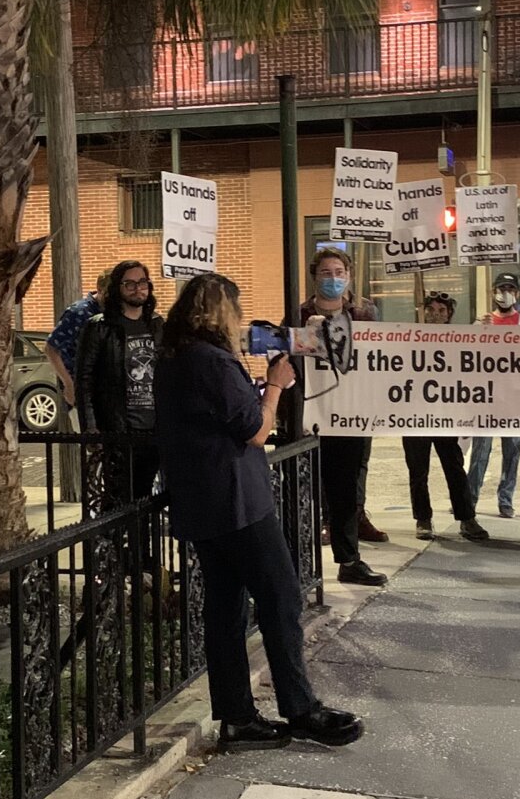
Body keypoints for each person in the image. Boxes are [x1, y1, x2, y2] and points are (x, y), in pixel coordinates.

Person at [155, 272, 365, 751]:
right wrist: (274, 385)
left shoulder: (177, 356)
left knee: (226, 609)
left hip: (203, 500)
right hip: (236, 501)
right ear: (218, 311)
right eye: (236, 308)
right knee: (281, 597)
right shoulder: (210, 360)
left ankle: (237, 717)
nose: (240, 318)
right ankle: (301, 708)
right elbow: (255, 430)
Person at [300, 246, 387, 587]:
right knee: (309, 487)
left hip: (353, 414)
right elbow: (285, 358)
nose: (333, 279)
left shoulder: (365, 313)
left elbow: (382, 357)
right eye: (325, 273)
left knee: (347, 490)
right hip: (314, 416)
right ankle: (303, 563)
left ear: (348, 276)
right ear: (314, 277)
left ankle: (348, 559)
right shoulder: (299, 313)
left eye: (338, 272)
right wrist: (307, 335)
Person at [76, 261, 164, 504]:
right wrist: (91, 428)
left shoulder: (157, 325)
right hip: (118, 429)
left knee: (147, 499)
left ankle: (142, 542)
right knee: (117, 500)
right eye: (130, 284)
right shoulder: (99, 327)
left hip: (154, 428)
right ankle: (112, 542)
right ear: (118, 288)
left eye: (143, 283)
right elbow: (84, 380)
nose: (138, 289)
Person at [407, 292, 489, 542]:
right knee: (418, 470)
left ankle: (467, 518)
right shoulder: (407, 339)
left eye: (442, 311)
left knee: (454, 467)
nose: (436, 316)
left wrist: (486, 334)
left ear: (449, 315)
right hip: (414, 415)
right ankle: (423, 519)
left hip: (446, 416)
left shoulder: (458, 340)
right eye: (431, 310)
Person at [468, 272, 520, 517]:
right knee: (480, 453)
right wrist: (479, 331)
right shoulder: (482, 322)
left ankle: (505, 500)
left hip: (516, 397)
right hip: (486, 396)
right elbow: (467, 356)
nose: (504, 294)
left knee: (512, 451)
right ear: (493, 292)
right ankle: (470, 498)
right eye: (500, 289)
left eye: (510, 289)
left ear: (516, 294)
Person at [46, 268, 111, 414]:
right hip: (83, 389)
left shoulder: (114, 312)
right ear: (100, 289)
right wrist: (69, 384)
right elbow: (51, 348)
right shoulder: (78, 312)